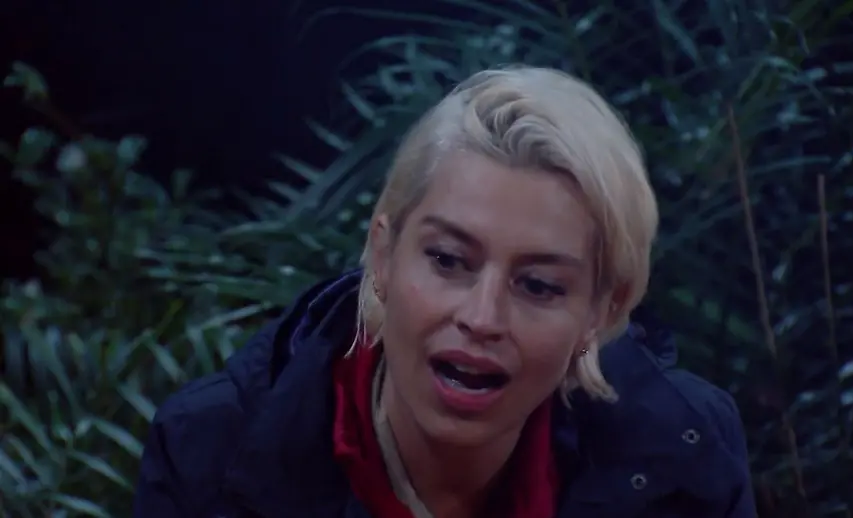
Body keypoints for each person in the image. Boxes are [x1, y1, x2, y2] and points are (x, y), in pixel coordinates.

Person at [132, 65, 755, 518]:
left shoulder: (687, 452)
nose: (482, 317)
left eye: (538, 285)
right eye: (448, 260)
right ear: (383, 255)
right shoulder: (207, 451)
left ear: (603, 310)